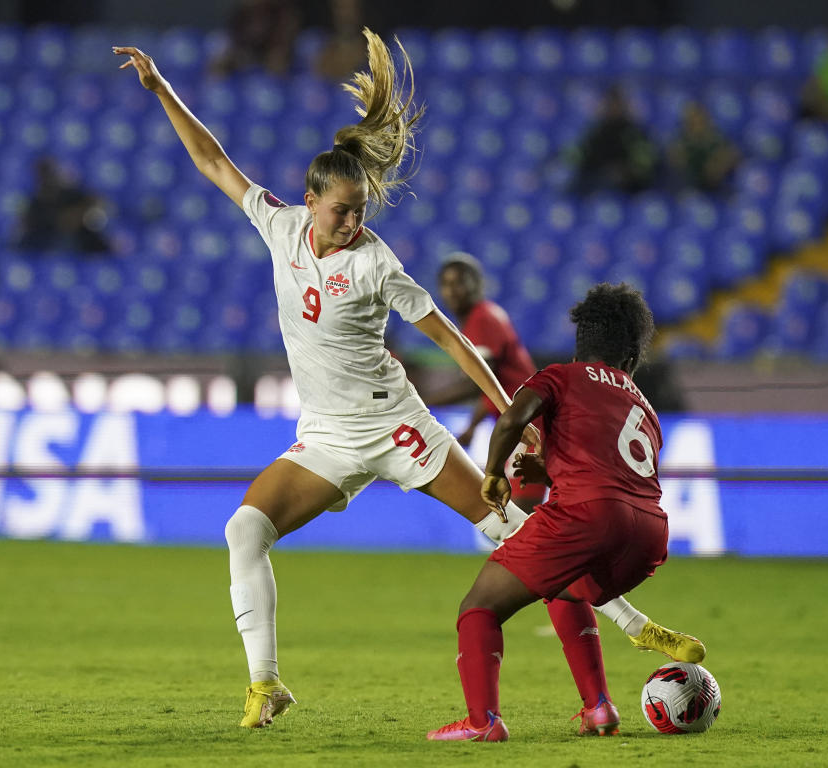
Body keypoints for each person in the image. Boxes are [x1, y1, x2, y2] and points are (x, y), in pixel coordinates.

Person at [114, 33, 701, 732]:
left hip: (397, 426)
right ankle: (265, 683)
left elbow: (451, 341)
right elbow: (212, 159)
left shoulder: (376, 263)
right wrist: (161, 90)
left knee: (511, 529)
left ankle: (633, 624)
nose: (356, 221)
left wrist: (519, 415)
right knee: (243, 530)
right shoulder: (277, 224)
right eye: (343, 211)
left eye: (362, 209)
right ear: (310, 202)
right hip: (327, 436)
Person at [427, 283, 694, 742]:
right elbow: (615, 474)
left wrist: (495, 474)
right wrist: (551, 467)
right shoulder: (645, 407)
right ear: (631, 357)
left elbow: (512, 417)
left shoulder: (562, 376)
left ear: (580, 345)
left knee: (479, 608)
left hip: (586, 518)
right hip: (650, 533)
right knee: (566, 589)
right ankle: (599, 708)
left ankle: (482, 722)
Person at [426, 252, 546, 514]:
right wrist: (472, 425)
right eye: (446, 284)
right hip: (521, 424)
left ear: (476, 285)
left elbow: (475, 383)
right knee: (517, 510)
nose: (452, 290)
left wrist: (425, 401)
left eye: (459, 282)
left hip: (529, 426)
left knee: (520, 513)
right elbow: (492, 386)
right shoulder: (482, 318)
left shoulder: (482, 319)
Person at [569, 85, 658, 194]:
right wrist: (604, 171)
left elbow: (645, 162)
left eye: (617, 104)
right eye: (610, 104)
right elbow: (582, 157)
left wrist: (626, 172)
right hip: (599, 181)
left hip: (631, 186)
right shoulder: (597, 132)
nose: (614, 108)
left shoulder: (635, 133)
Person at [15, 157, 111, 254]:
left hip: (74, 240)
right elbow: (62, 222)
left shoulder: (70, 194)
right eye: (44, 174)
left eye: (51, 173)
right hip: (47, 240)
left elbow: (99, 203)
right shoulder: (36, 201)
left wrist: (81, 212)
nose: (48, 178)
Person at [208, 0, 301, 77]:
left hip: (272, 53)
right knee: (221, 62)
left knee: (277, 60)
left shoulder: (280, 12)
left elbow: (285, 41)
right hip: (246, 54)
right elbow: (234, 36)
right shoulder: (241, 14)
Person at [666, 103, 740, 193]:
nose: (698, 125)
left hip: (717, 191)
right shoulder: (679, 144)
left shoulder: (717, 140)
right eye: (693, 122)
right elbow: (677, 162)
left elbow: (731, 156)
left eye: (700, 121)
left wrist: (719, 165)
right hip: (688, 191)